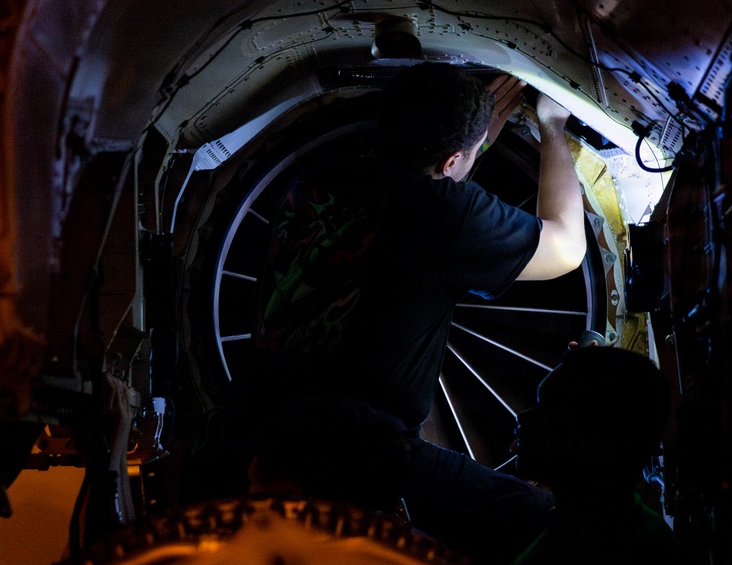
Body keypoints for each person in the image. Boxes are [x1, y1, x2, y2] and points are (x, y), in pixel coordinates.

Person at [189, 62, 587, 564]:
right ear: (451, 161)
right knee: (542, 519)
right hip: (355, 450)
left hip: (245, 434)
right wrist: (552, 127)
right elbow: (566, 247)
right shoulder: (445, 214)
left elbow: (405, 208)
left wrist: (468, 151)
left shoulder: (310, 182)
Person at [510, 345, 687, 564]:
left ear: (600, 438)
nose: (523, 417)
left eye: (552, 410)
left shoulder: (576, 549)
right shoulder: (644, 533)